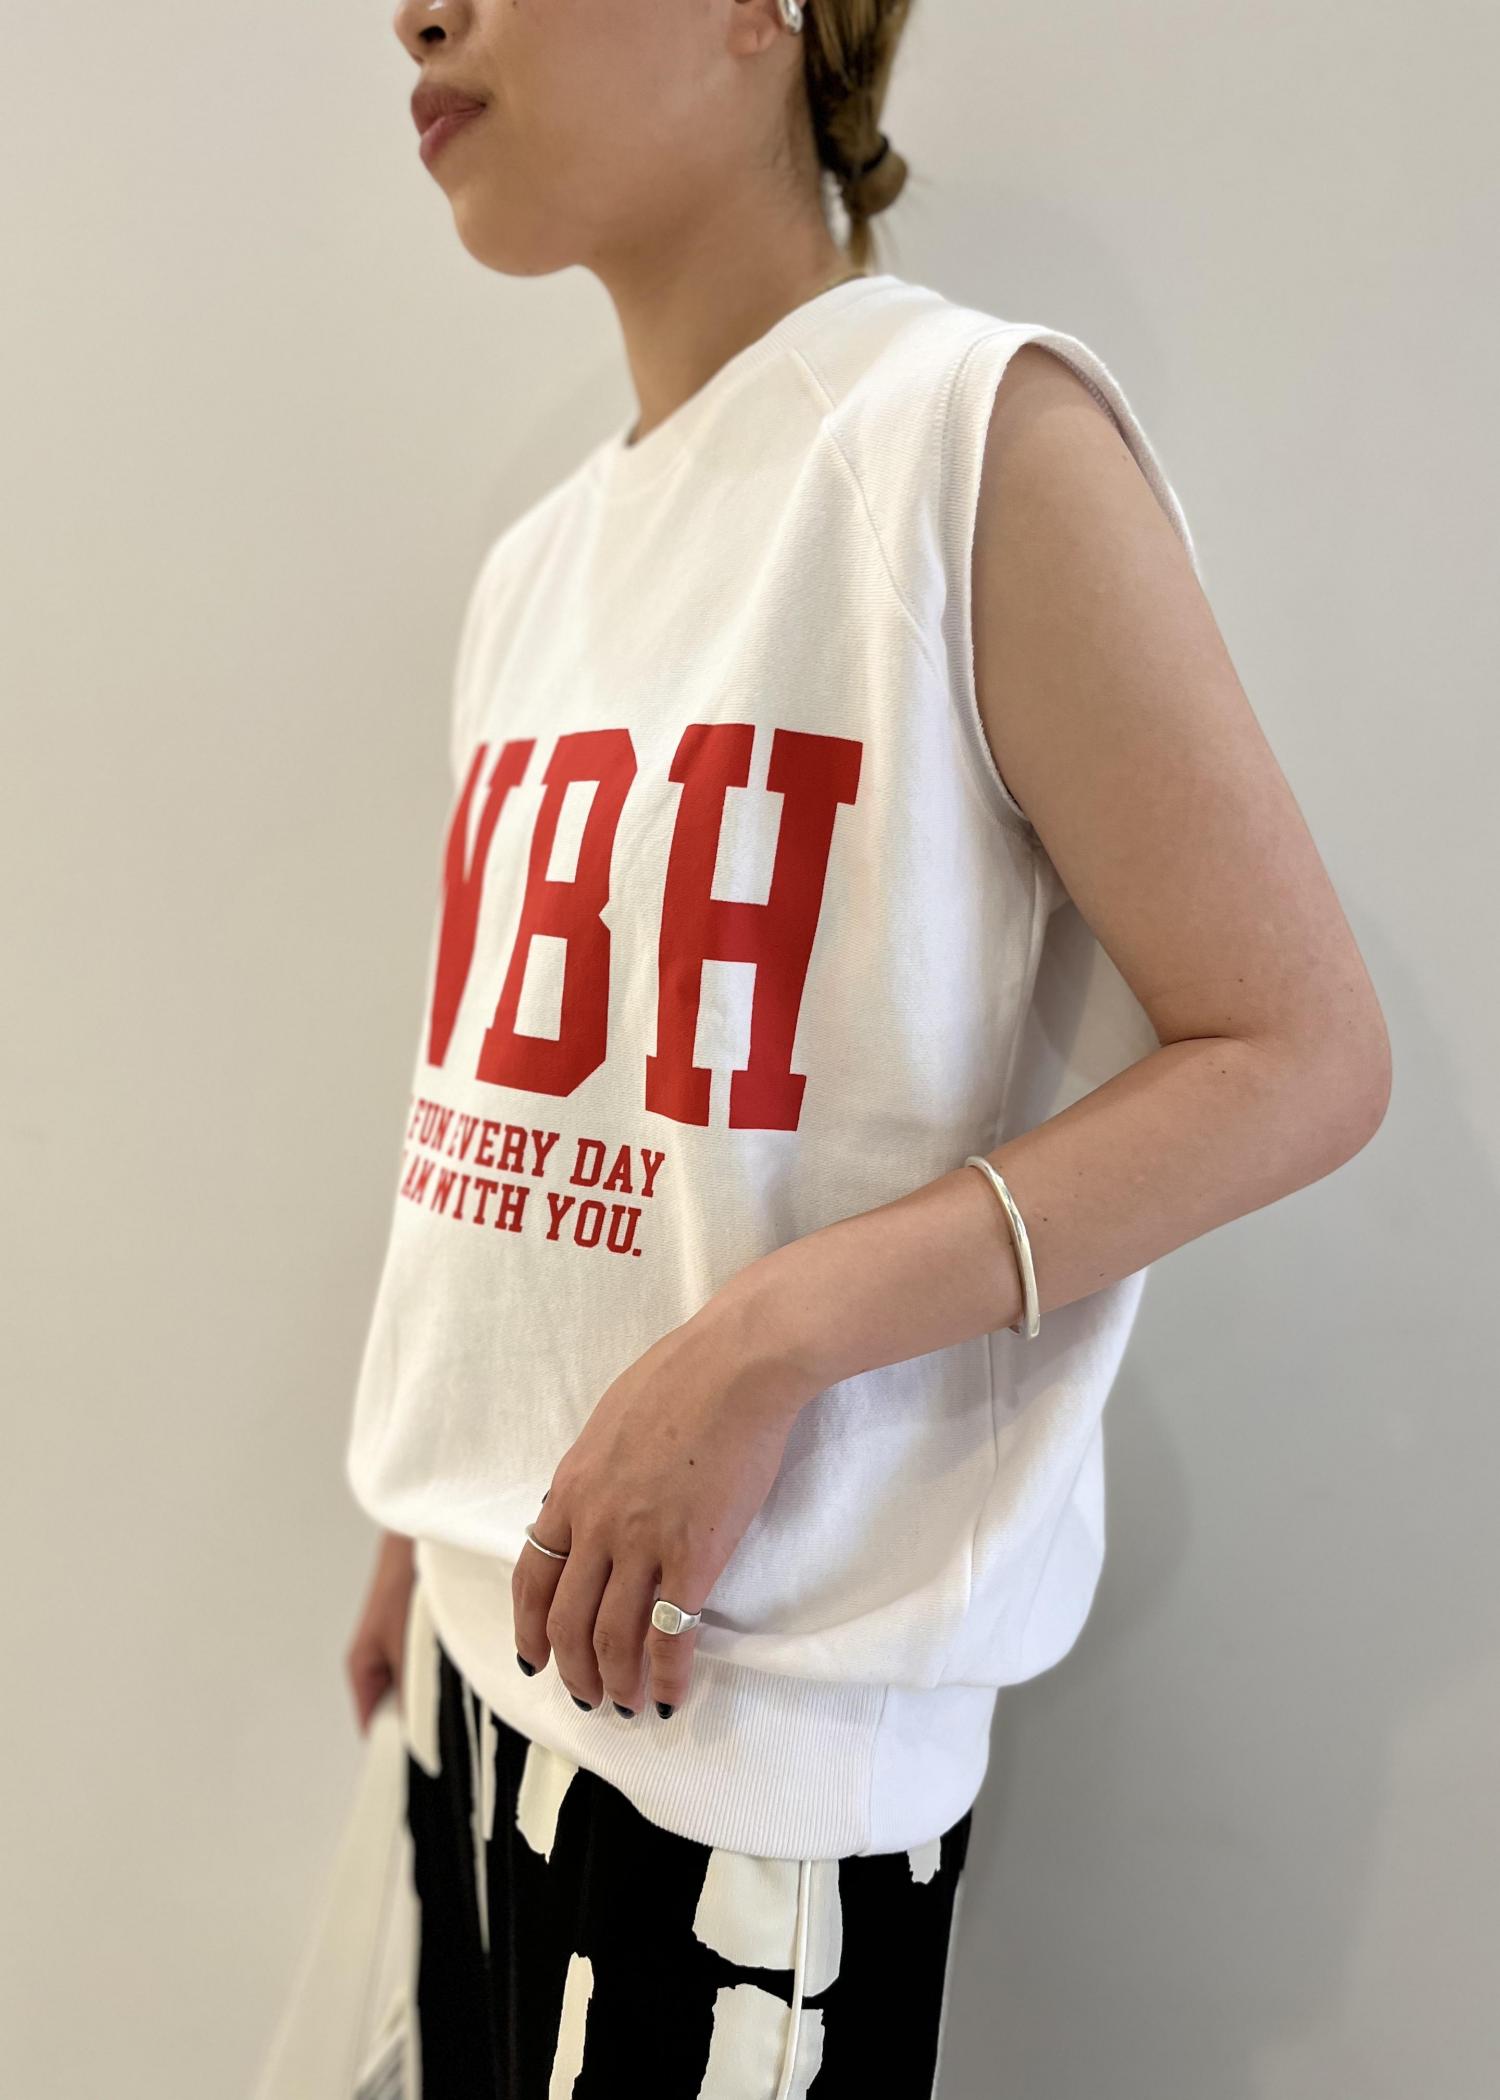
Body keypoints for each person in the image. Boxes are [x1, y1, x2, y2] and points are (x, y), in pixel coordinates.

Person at [343, 1, 1391, 2092]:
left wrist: (767, 1341)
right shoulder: (537, 567)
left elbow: (1297, 1049)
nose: (415, 14)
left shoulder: (963, 432)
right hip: (478, 1651)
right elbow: (530, 1102)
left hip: (749, 1745)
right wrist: (421, 1500)